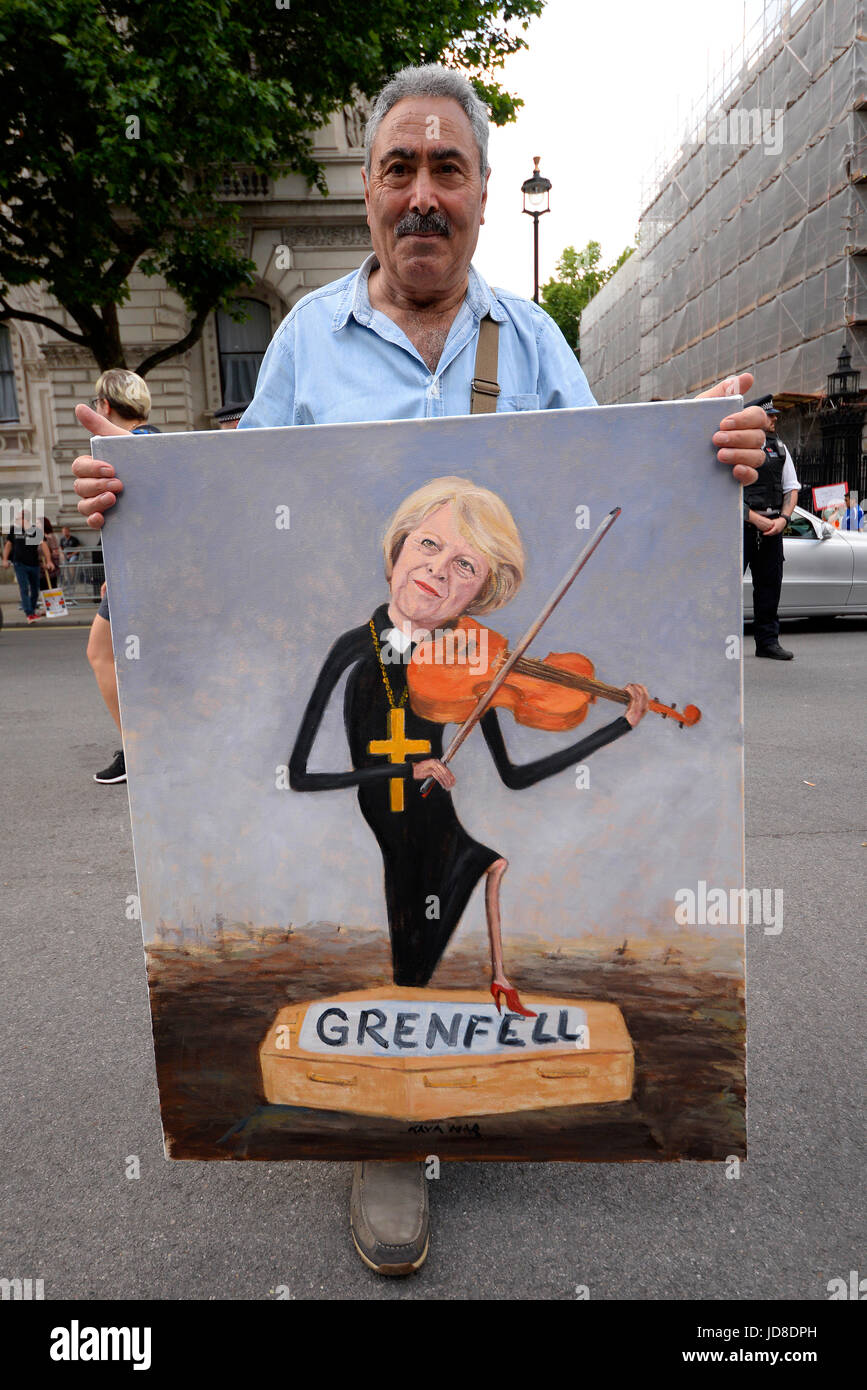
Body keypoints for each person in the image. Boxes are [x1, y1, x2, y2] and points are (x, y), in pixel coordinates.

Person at [71, 63, 771, 1278]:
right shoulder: (303, 339)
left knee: (471, 869)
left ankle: (472, 1059)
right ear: (370, 198)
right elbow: (240, 517)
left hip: (457, 704)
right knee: (398, 907)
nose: (423, 193)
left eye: (449, 168)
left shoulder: (535, 338)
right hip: (372, 720)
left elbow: (609, 487)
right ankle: (385, 1133)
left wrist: (702, 447)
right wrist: (134, 493)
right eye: (399, 167)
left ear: (485, 197)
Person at [290, 476, 649, 1016]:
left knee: (479, 870)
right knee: (414, 946)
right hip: (392, 817)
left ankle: (497, 979)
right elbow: (301, 775)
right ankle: (423, 1007)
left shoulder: (468, 660)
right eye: (429, 544)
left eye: (465, 565)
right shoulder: (353, 651)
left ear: (480, 593)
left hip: (438, 819)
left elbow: (514, 774)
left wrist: (617, 726)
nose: (438, 568)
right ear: (398, 550)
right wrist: (404, 773)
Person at [87, 370, 159, 783]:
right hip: (147, 573)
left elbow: (138, 522)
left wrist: (119, 571)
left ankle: (138, 748)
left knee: (101, 653)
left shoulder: (125, 450)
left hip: (136, 575)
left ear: (106, 405)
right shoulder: (157, 441)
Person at [742, 394, 800, 660]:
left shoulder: (780, 448)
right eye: (769, 414)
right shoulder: (737, 449)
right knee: (727, 589)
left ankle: (767, 642)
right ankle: (719, 644)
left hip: (772, 528)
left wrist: (783, 520)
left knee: (769, 587)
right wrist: (753, 518)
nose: (775, 418)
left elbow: (791, 488)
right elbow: (722, 493)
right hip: (741, 528)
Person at [2, 509, 52, 622]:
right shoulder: (14, 529)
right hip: (19, 563)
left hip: (34, 563)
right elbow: (8, 545)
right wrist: (5, 560)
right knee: (24, 588)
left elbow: (44, 545)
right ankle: (29, 613)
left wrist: (49, 561)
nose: (16, 521)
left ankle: (32, 611)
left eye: (19, 518)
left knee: (35, 589)